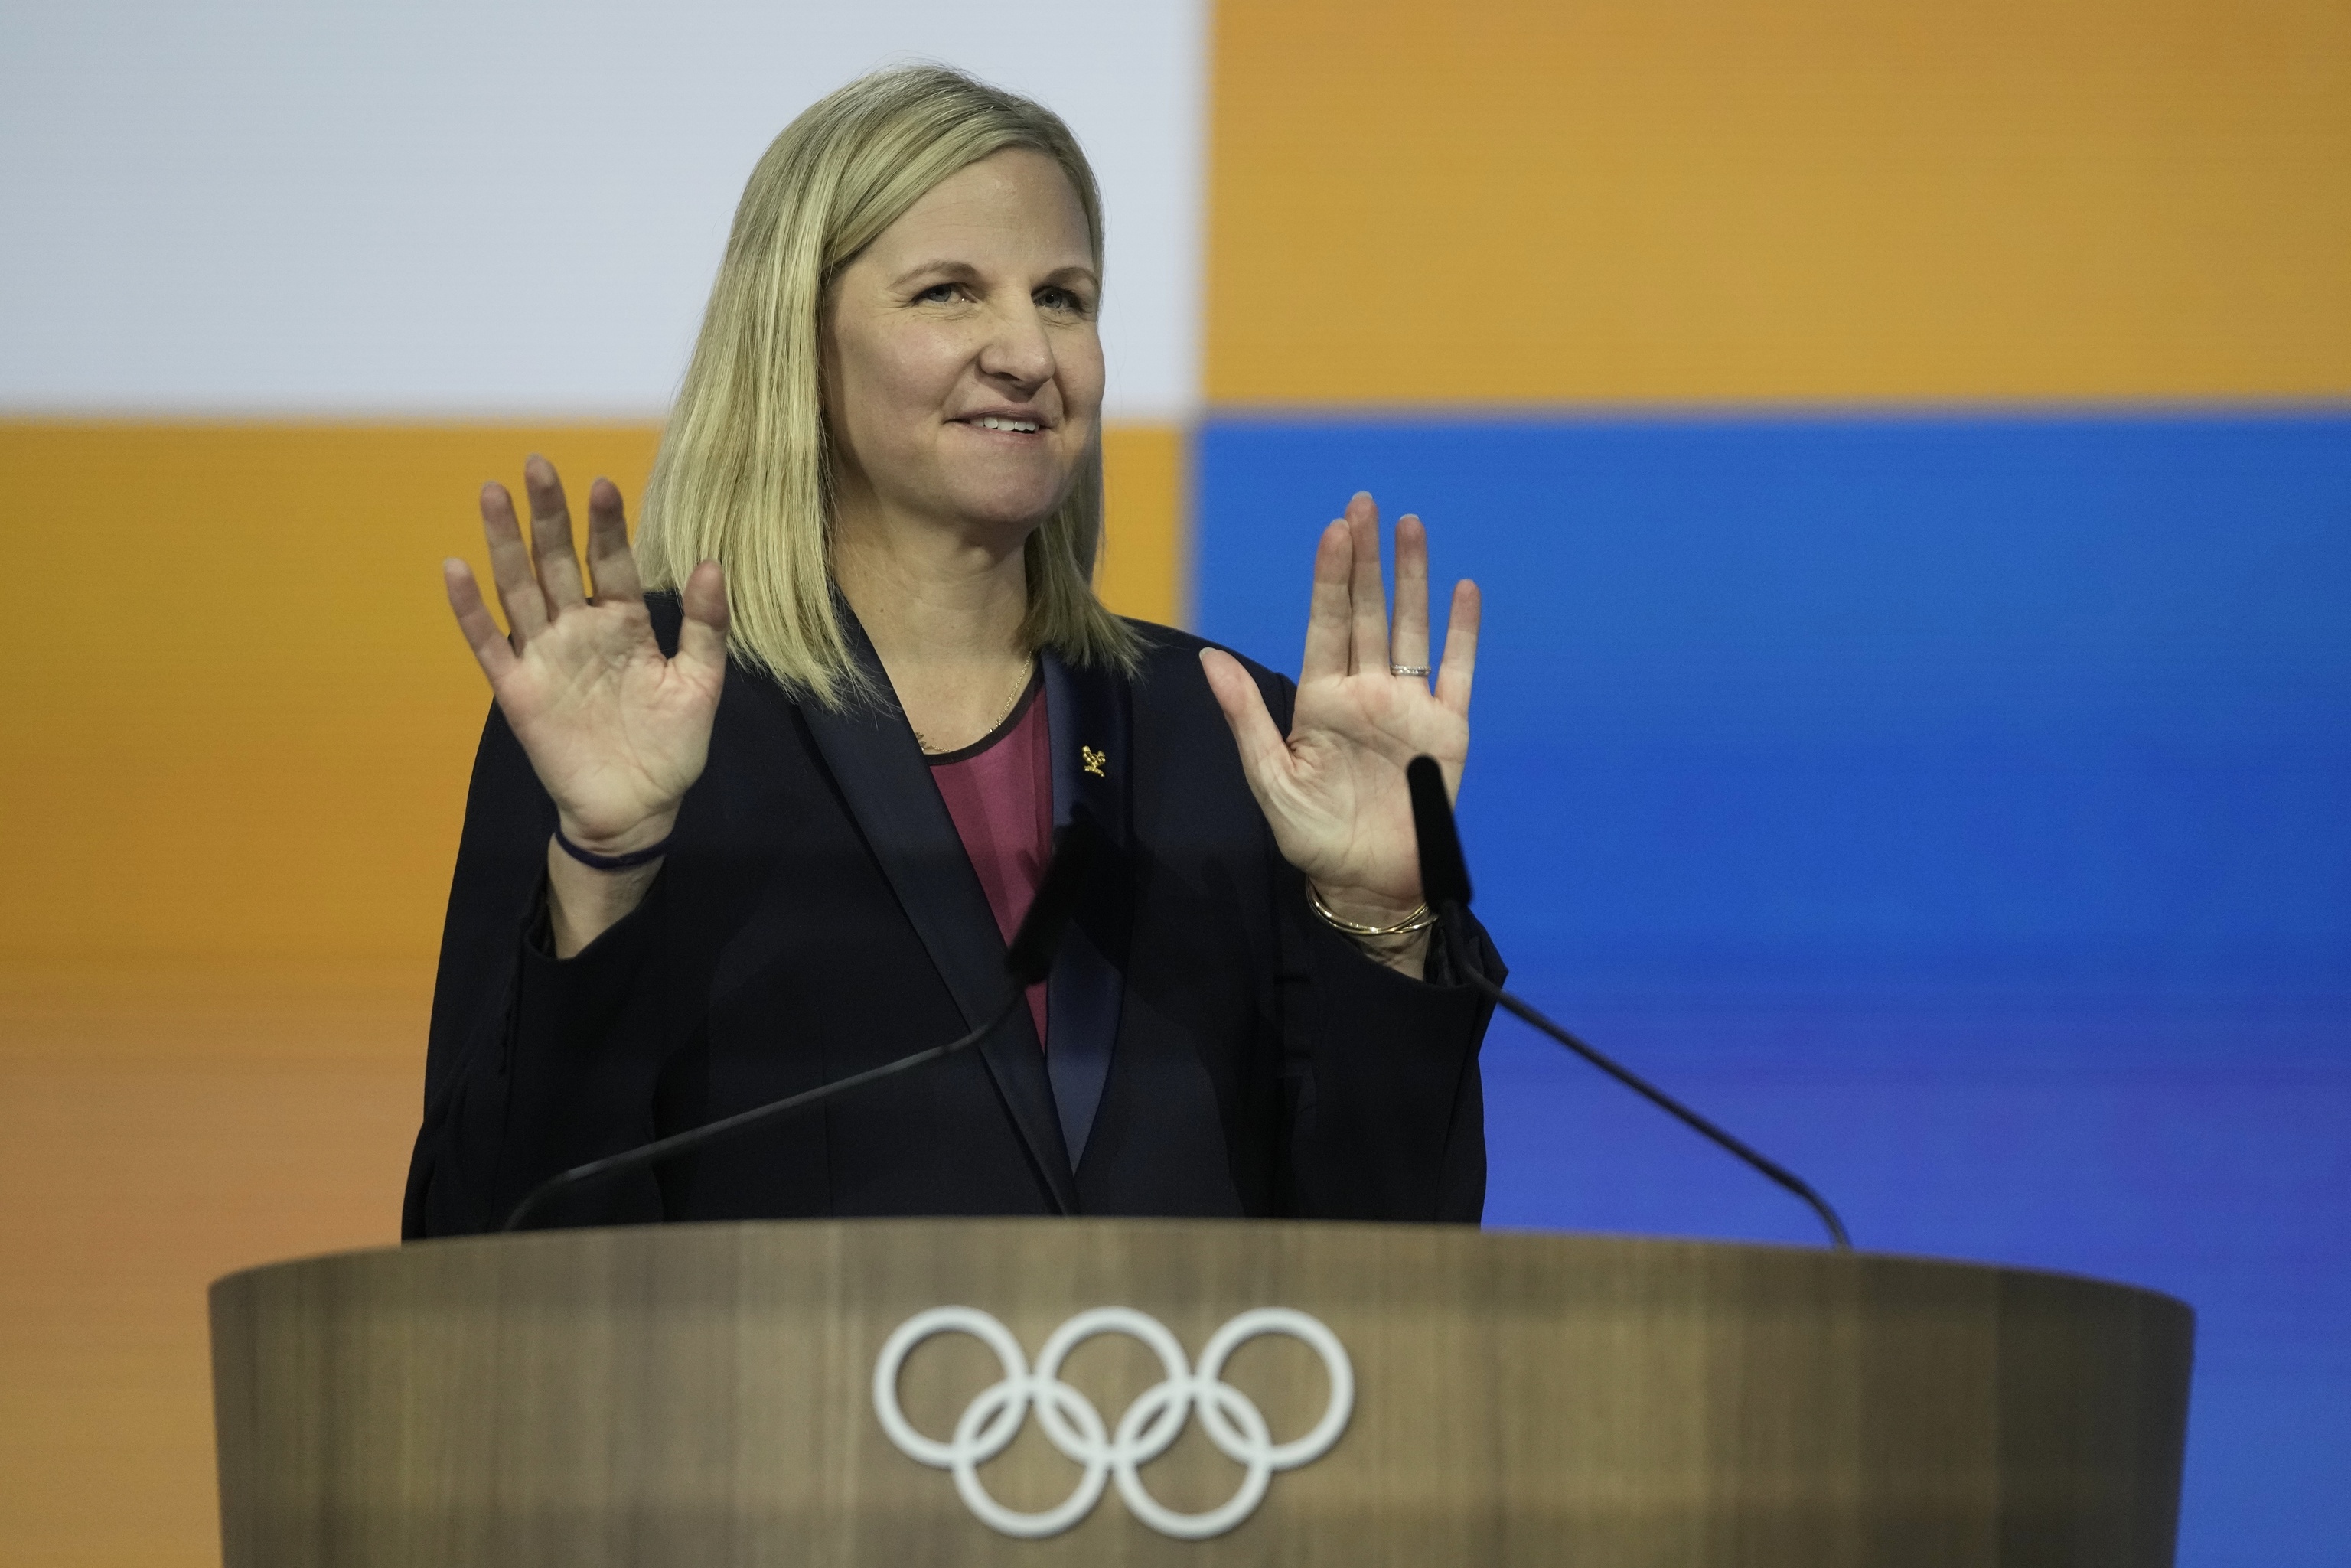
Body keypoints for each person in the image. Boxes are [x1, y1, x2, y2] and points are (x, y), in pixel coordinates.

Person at [403, 65, 1499, 1237]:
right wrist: (605, 867)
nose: (1029, 351)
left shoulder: (1228, 734)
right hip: (783, 1421)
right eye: (949, 293)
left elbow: (1400, 1261)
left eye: (1065, 298)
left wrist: (1384, 922)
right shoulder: (645, 712)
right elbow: (485, 1245)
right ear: (800, 344)